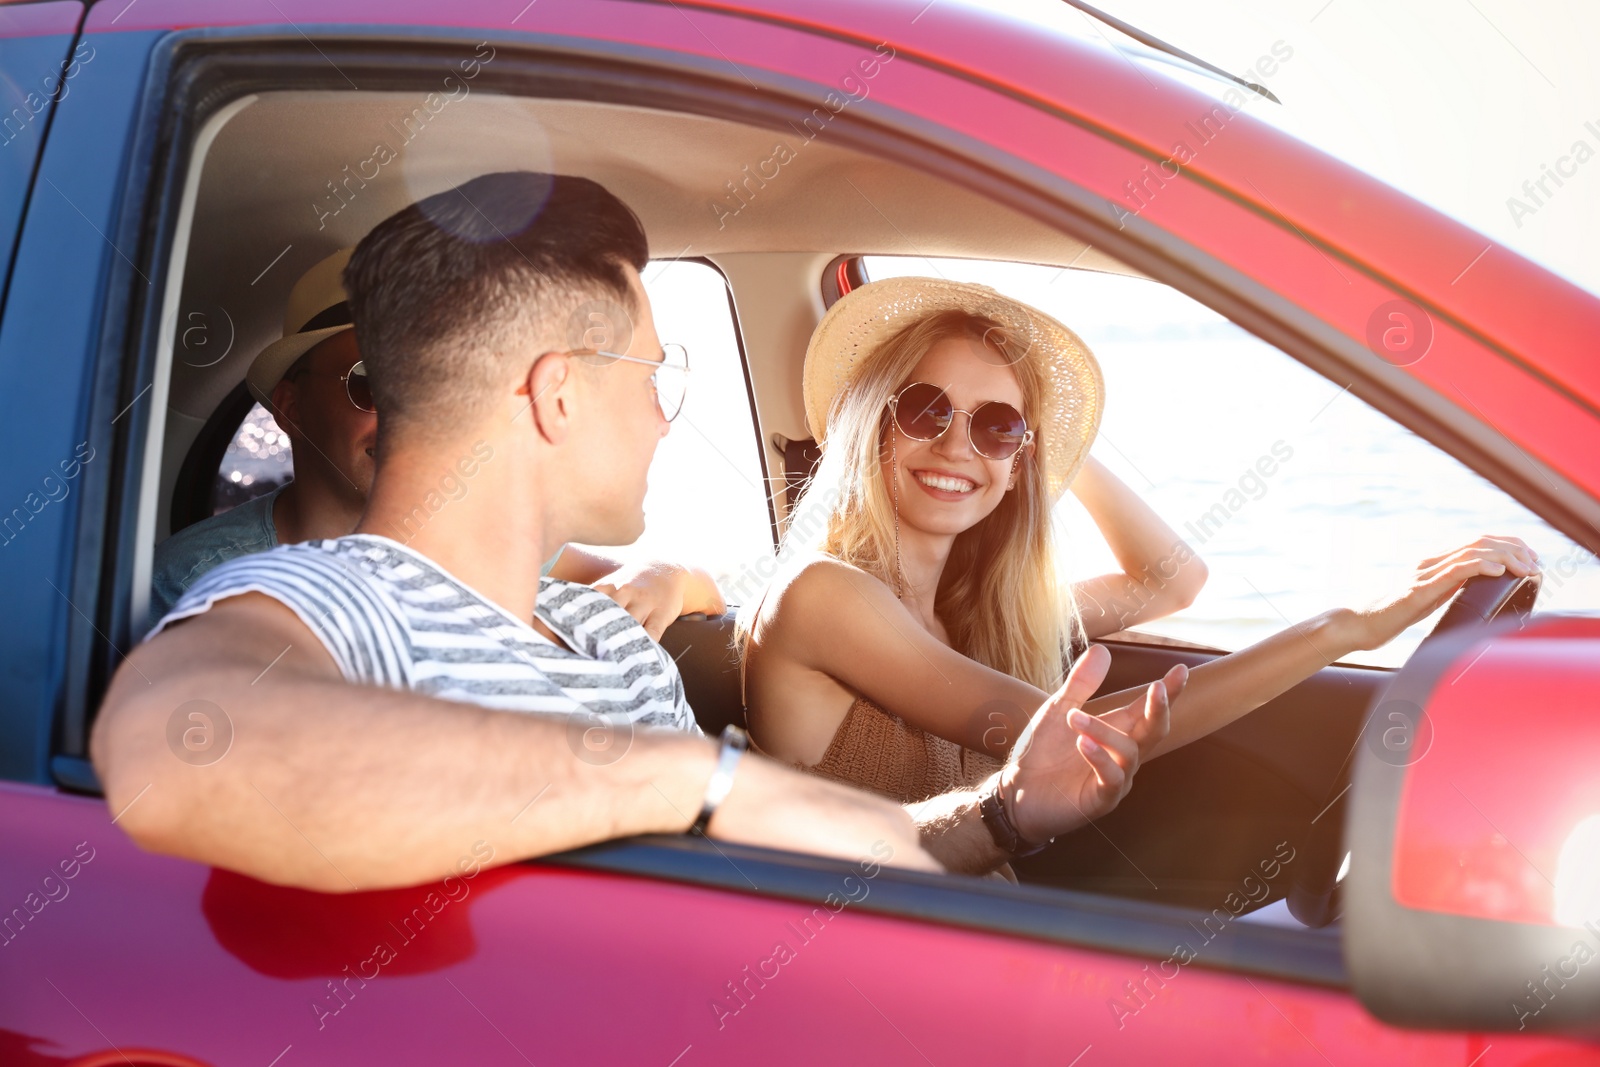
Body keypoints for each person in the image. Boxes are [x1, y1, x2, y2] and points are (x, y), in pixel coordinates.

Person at [91, 171, 1185, 892]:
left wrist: (1000, 813)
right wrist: (695, 780)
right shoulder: (340, 603)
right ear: (559, 393)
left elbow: (762, 883)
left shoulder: (609, 638)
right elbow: (171, 751)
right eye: (656, 373)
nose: (668, 411)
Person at [738, 277, 1540, 803]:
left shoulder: (965, 614)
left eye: (996, 424)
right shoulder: (826, 594)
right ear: (870, 425)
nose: (957, 447)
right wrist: (1350, 628)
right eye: (924, 410)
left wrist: (1050, 440)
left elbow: (1170, 579)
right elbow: (1083, 740)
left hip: (979, 925)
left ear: (1023, 463)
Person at [150, 248, 725, 638]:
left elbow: (690, 589)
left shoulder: (485, 539)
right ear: (292, 410)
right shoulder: (192, 582)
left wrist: (662, 576)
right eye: (370, 384)